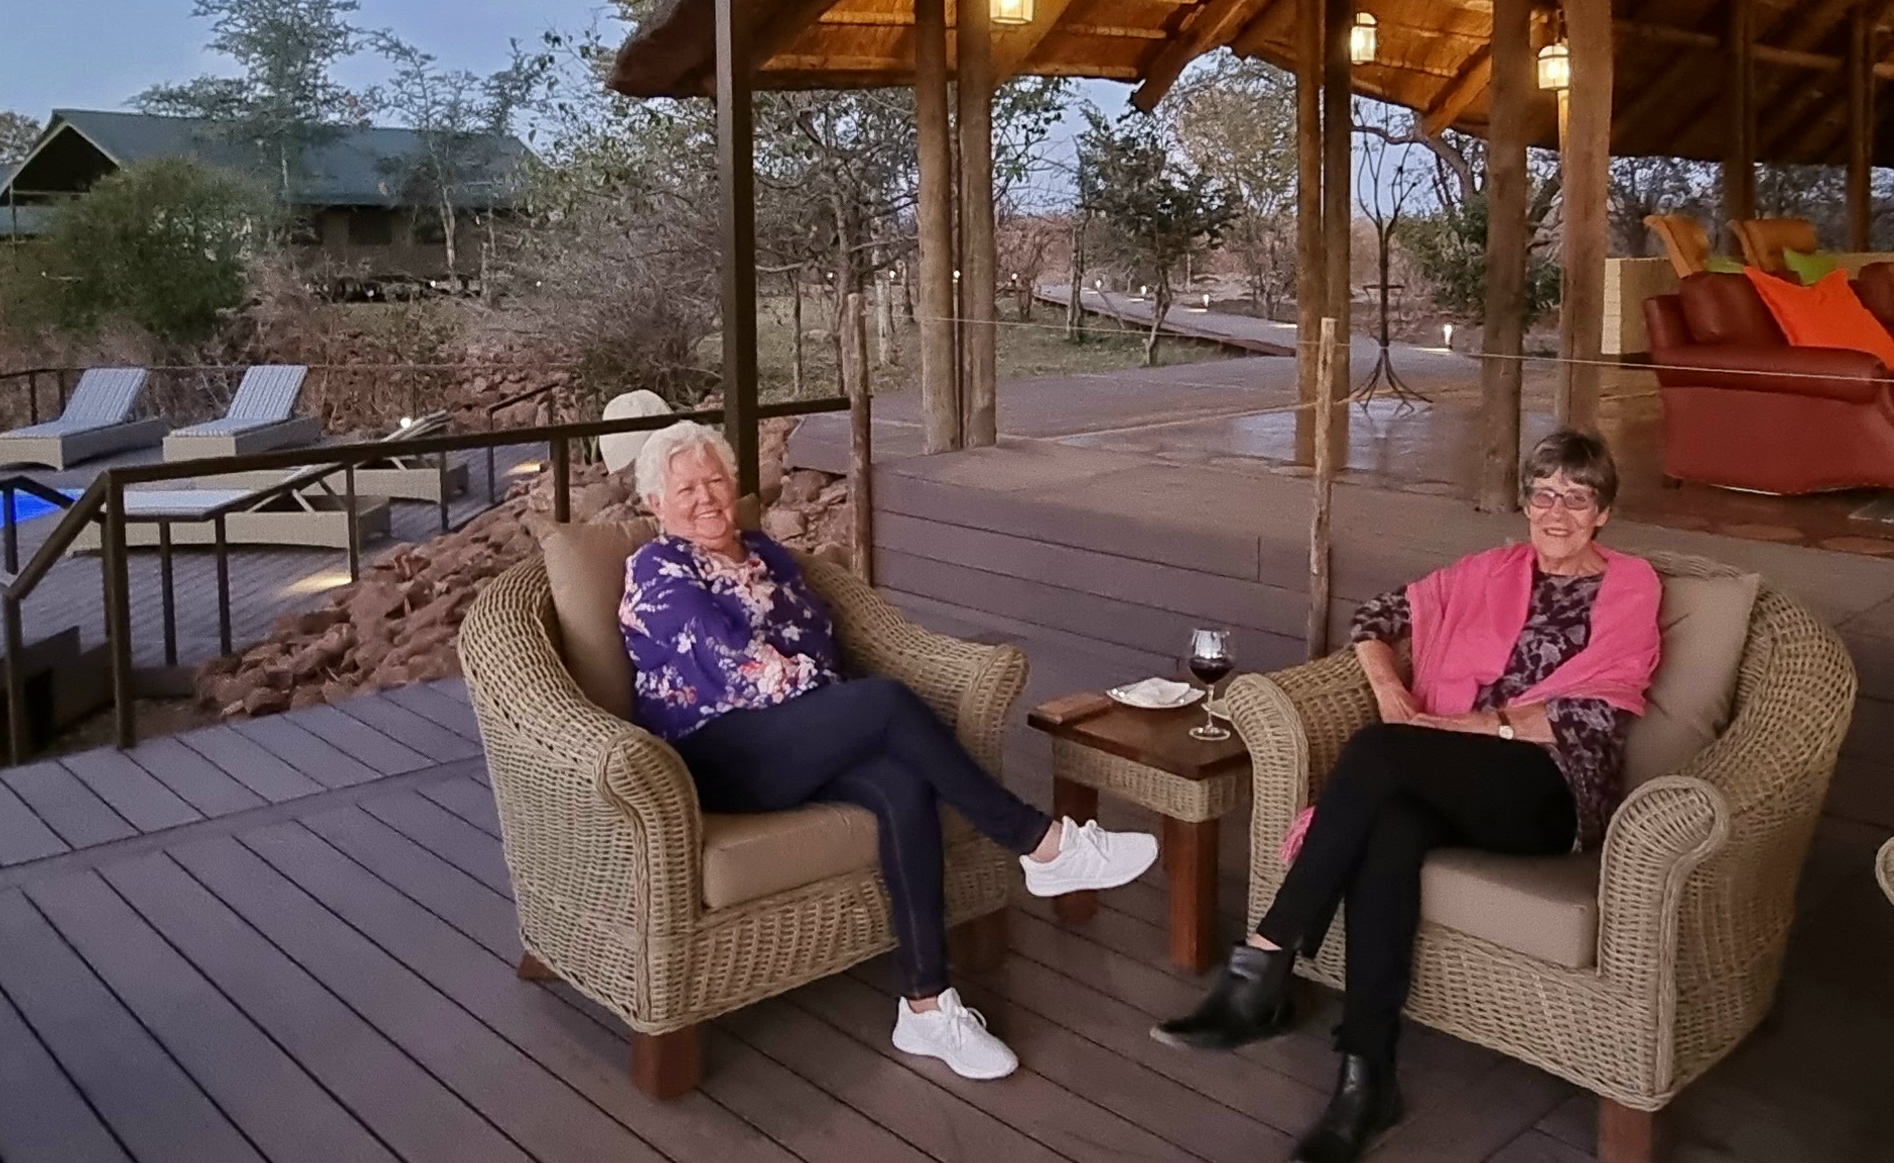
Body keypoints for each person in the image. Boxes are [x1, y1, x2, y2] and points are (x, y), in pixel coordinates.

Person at [1156, 429, 1660, 1163]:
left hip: (1552, 788)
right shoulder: (1491, 569)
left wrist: (1469, 725)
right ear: (1525, 503)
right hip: (1453, 768)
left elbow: (1598, 713)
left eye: (1577, 499)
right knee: (1391, 825)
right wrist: (1392, 692)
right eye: (1544, 494)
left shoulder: (1631, 586)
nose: (1557, 512)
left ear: (1603, 513)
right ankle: (1367, 1077)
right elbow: (1376, 618)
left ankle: (1262, 965)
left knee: (1380, 753)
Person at [617, 420, 1159, 1082]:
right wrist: (841, 707)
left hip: (794, 736)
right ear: (656, 504)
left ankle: (927, 1005)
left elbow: (818, 636)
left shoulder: (761, 553)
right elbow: (737, 666)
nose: (706, 497)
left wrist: (831, 707)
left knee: (903, 785)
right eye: (686, 489)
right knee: (884, 705)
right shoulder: (658, 570)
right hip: (717, 754)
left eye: (716, 480)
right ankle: (1039, 843)